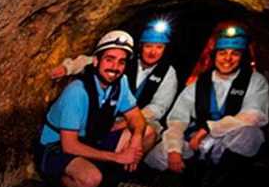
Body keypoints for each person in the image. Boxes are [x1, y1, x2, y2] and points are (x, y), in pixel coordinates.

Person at [144, 24, 269, 187]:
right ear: (215, 56)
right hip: (197, 141)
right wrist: (174, 150)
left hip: (227, 142)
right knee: (156, 157)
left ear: (242, 57)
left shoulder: (255, 81)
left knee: (251, 134)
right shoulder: (199, 84)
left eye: (235, 54)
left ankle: (216, 184)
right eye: (222, 53)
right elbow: (177, 119)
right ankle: (191, 173)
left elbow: (255, 115)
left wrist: (210, 128)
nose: (228, 59)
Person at [36, 30, 157, 187]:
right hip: (57, 146)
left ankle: (107, 185)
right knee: (91, 179)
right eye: (109, 59)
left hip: (91, 138)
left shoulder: (120, 82)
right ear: (96, 61)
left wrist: (136, 140)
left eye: (121, 62)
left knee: (148, 133)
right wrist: (117, 157)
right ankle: (56, 183)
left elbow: (136, 116)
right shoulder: (77, 92)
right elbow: (69, 145)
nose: (115, 67)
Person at [50, 19, 179, 137]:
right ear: (141, 46)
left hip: (142, 118)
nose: (153, 52)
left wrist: (128, 120)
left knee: (144, 133)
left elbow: (159, 107)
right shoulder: (124, 60)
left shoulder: (167, 73)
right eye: (148, 46)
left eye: (159, 47)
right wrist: (68, 68)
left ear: (164, 49)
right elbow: (90, 61)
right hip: (111, 114)